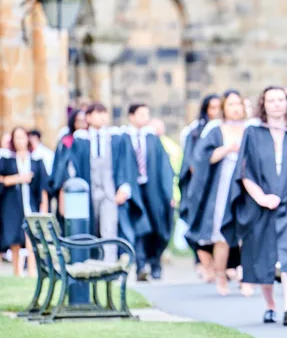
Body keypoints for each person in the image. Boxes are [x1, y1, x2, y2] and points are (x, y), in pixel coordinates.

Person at [222, 86, 287, 326]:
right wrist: (262, 198)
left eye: (281, 100)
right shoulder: (253, 132)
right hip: (260, 203)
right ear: (263, 104)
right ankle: (270, 305)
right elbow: (244, 172)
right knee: (264, 253)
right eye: (271, 100)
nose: (276, 104)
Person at [49, 103, 145, 261]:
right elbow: (72, 167)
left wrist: (124, 187)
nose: (102, 117)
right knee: (89, 229)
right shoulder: (80, 140)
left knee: (109, 230)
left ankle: (110, 267)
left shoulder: (116, 139)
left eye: (104, 113)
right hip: (88, 192)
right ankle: (89, 263)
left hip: (109, 192)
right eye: (98, 113)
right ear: (88, 117)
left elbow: (125, 165)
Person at [184, 90, 248, 296]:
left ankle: (248, 276)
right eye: (231, 104)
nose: (236, 108)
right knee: (222, 232)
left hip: (247, 186)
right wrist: (228, 149)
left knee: (248, 233)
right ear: (223, 107)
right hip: (222, 186)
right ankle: (220, 276)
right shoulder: (215, 129)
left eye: (238, 103)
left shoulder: (251, 128)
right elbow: (202, 158)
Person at [124, 104, 175, 281]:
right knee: (139, 227)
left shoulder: (153, 139)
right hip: (133, 189)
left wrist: (169, 193)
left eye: (147, 114)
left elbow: (165, 167)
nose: (145, 117)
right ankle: (140, 265)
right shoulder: (123, 138)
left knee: (157, 226)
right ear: (131, 116)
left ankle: (155, 263)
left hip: (154, 189)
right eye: (141, 114)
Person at [178, 94, 222, 281]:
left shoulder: (225, 129)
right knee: (198, 223)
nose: (216, 112)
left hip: (219, 184)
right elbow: (191, 161)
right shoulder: (196, 131)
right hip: (200, 185)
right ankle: (202, 263)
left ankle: (220, 266)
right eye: (212, 108)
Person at [0, 127, 49, 277]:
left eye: (22, 137)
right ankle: (17, 271)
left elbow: (43, 186)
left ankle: (32, 271)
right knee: (15, 237)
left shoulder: (36, 160)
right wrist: (17, 179)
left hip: (30, 203)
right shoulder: (7, 160)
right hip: (12, 204)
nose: (20, 141)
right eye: (17, 137)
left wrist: (44, 206)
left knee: (32, 237)